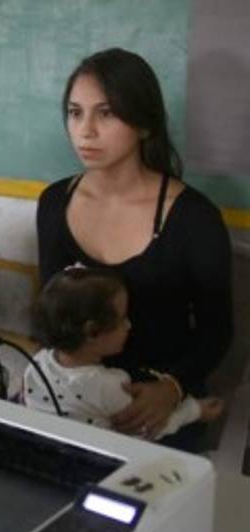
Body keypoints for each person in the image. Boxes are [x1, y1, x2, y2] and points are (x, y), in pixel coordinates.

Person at [36, 48, 232, 452]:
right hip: (78, 402)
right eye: (75, 113)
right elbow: (52, 313)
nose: (85, 130)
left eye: (106, 113)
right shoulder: (55, 203)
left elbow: (217, 329)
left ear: (144, 124)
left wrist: (171, 388)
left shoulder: (193, 218)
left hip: (156, 408)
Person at [24, 266, 223, 440]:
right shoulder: (108, 385)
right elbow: (147, 428)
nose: (129, 325)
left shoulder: (37, 363)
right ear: (92, 332)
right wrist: (195, 411)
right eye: (122, 319)